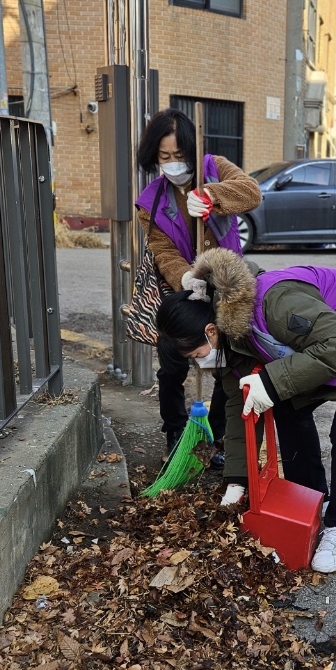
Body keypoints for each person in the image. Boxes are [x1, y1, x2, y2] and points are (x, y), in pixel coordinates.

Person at [155, 248, 336, 573]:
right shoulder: (233, 336)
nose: (199, 362)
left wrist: (269, 382)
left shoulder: (275, 301)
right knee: (284, 405)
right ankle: (312, 498)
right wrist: (237, 481)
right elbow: (238, 406)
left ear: (210, 331)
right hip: (333, 344)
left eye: (196, 353)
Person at [135, 108, 262, 458]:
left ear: (192, 150)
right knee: (172, 361)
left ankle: (219, 436)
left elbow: (251, 192)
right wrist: (185, 277)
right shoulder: (152, 200)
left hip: (226, 286)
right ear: (154, 157)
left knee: (227, 363)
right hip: (184, 291)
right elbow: (161, 249)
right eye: (165, 157)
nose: (173, 163)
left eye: (179, 155)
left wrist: (212, 197)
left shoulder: (214, 167)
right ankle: (176, 432)